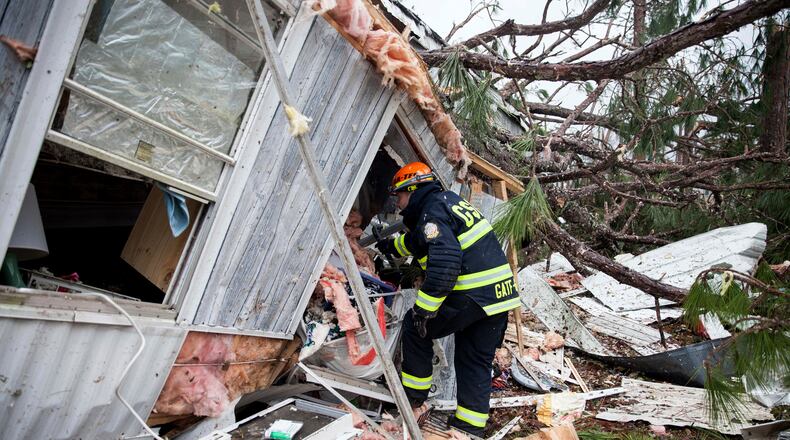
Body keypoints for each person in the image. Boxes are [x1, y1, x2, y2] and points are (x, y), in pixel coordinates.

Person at [376, 162, 519, 437]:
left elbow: (445, 262)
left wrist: (423, 311)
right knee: (473, 360)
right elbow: (419, 241)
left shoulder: (432, 212)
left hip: (472, 294)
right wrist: (388, 246)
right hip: (498, 298)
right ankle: (468, 430)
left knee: (415, 327)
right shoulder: (446, 203)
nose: (399, 203)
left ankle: (414, 398)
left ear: (413, 189)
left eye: (400, 195)